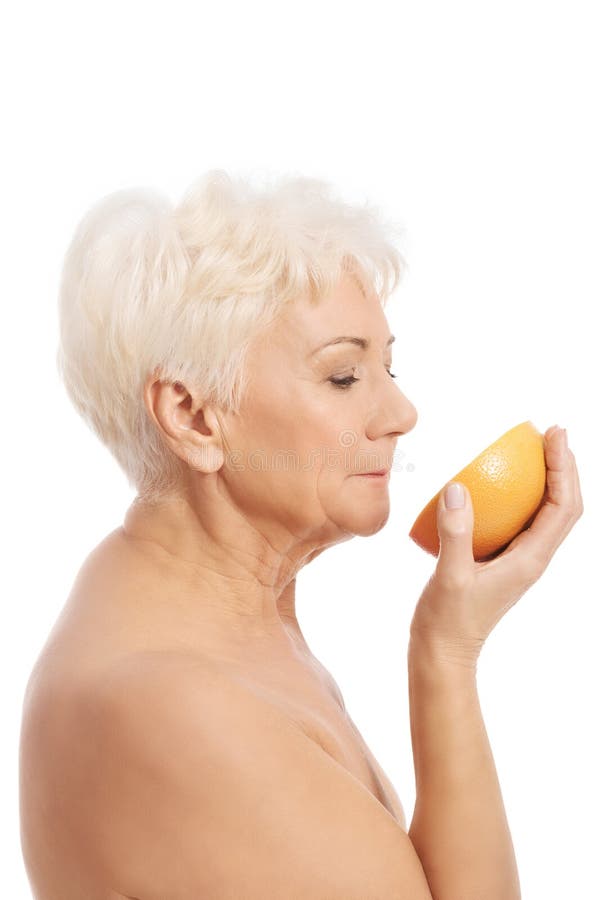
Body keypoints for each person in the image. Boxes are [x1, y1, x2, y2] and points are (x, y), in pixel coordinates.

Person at [19, 169, 582, 900]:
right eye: (343, 376)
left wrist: (446, 642)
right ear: (192, 416)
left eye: (388, 365)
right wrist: (445, 656)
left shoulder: (192, 602)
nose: (402, 412)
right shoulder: (171, 704)